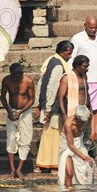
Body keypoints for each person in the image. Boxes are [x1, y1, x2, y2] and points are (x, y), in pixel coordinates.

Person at [34, 40, 74, 172]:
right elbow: (51, 86)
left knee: (49, 134)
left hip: (49, 105)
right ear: (62, 52)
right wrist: (49, 108)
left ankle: (44, 164)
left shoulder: (50, 60)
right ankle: (51, 165)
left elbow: (41, 82)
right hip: (54, 106)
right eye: (68, 54)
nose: (70, 56)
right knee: (53, 135)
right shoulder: (58, 65)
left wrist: (39, 104)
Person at [70, 15, 97, 141]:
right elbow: (72, 58)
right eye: (91, 27)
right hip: (85, 78)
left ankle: (95, 131)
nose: (93, 30)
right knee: (87, 106)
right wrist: (72, 74)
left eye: (95, 28)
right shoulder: (77, 39)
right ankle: (86, 132)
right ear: (85, 25)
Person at [0, 62, 35, 179]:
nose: (17, 79)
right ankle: (12, 169)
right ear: (11, 74)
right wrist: (9, 111)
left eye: (19, 76)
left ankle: (19, 169)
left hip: (25, 113)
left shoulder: (28, 81)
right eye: (15, 77)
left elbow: (32, 100)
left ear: (22, 74)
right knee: (10, 140)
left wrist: (20, 112)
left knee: (25, 140)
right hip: (11, 111)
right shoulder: (7, 80)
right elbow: (2, 97)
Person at [58, 105, 95, 186]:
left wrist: (93, 131)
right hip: (67, 146)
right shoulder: (69, 124)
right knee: (69, 173)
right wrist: (85, 157)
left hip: (80, 144)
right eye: (80, 121)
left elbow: (92, 117)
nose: (82, 123)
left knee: (83, 172)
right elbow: (71, 145)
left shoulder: (88, 116)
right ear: (76, 117)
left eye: (83, 122)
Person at [58, 55, 92, 120]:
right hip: (72, 113)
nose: (87, 69)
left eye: (88, 66)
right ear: (77, 66)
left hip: (84, 112)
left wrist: (90, 109)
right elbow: (60, 97)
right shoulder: (66, 77)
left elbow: (86, 93)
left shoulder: (84, 76)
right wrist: (64, 115)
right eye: (85, 66)